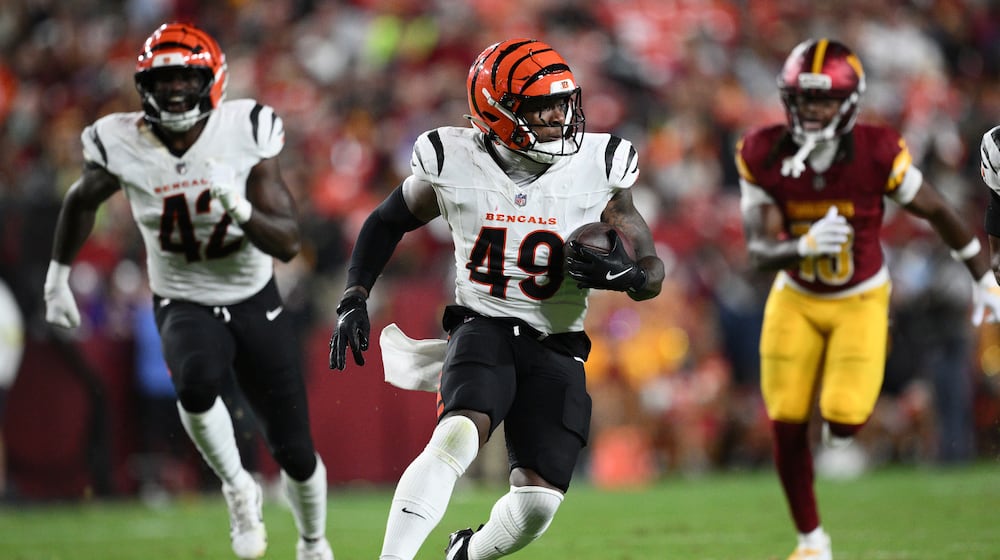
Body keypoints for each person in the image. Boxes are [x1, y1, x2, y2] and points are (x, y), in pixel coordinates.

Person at [328, 38, 664, 560]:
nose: (560, 115)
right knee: (457, 437)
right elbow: (386, 220)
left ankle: (465, 553)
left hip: (558, 342)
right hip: (482, 324)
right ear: (497, 109)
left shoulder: (599, 165)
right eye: (542, 105)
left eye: (564, 101)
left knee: (537, 506)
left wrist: (631, 276)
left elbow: (652, 270)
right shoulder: (453, 160)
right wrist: (354, 294)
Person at [42, 22, 333, 560]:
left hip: (253, 294)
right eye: (164, 79)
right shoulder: (121, 140)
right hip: (182, 295)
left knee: (294, 449)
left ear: (212, 81)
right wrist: (57, 275)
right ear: (144, 86)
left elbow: (289, 242)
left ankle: (313, 542)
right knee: (195, 386)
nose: (175, 89)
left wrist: (239, 207)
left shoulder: (244, 129)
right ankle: (238, 488)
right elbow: (82, 200)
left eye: (185, 78)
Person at [736, 37, 1000, 560]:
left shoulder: (877, 151)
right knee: (785, 419)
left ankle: (841, 436)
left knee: (844, 416)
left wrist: (982, 277)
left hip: (860, 297)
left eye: (824, 99)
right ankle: (812, 543)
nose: (812, 110)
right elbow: (759, 252)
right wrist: (802, 246)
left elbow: (937, 210)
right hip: (797, 296)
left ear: (850, 102)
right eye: (804, 98)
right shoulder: (762, 151)